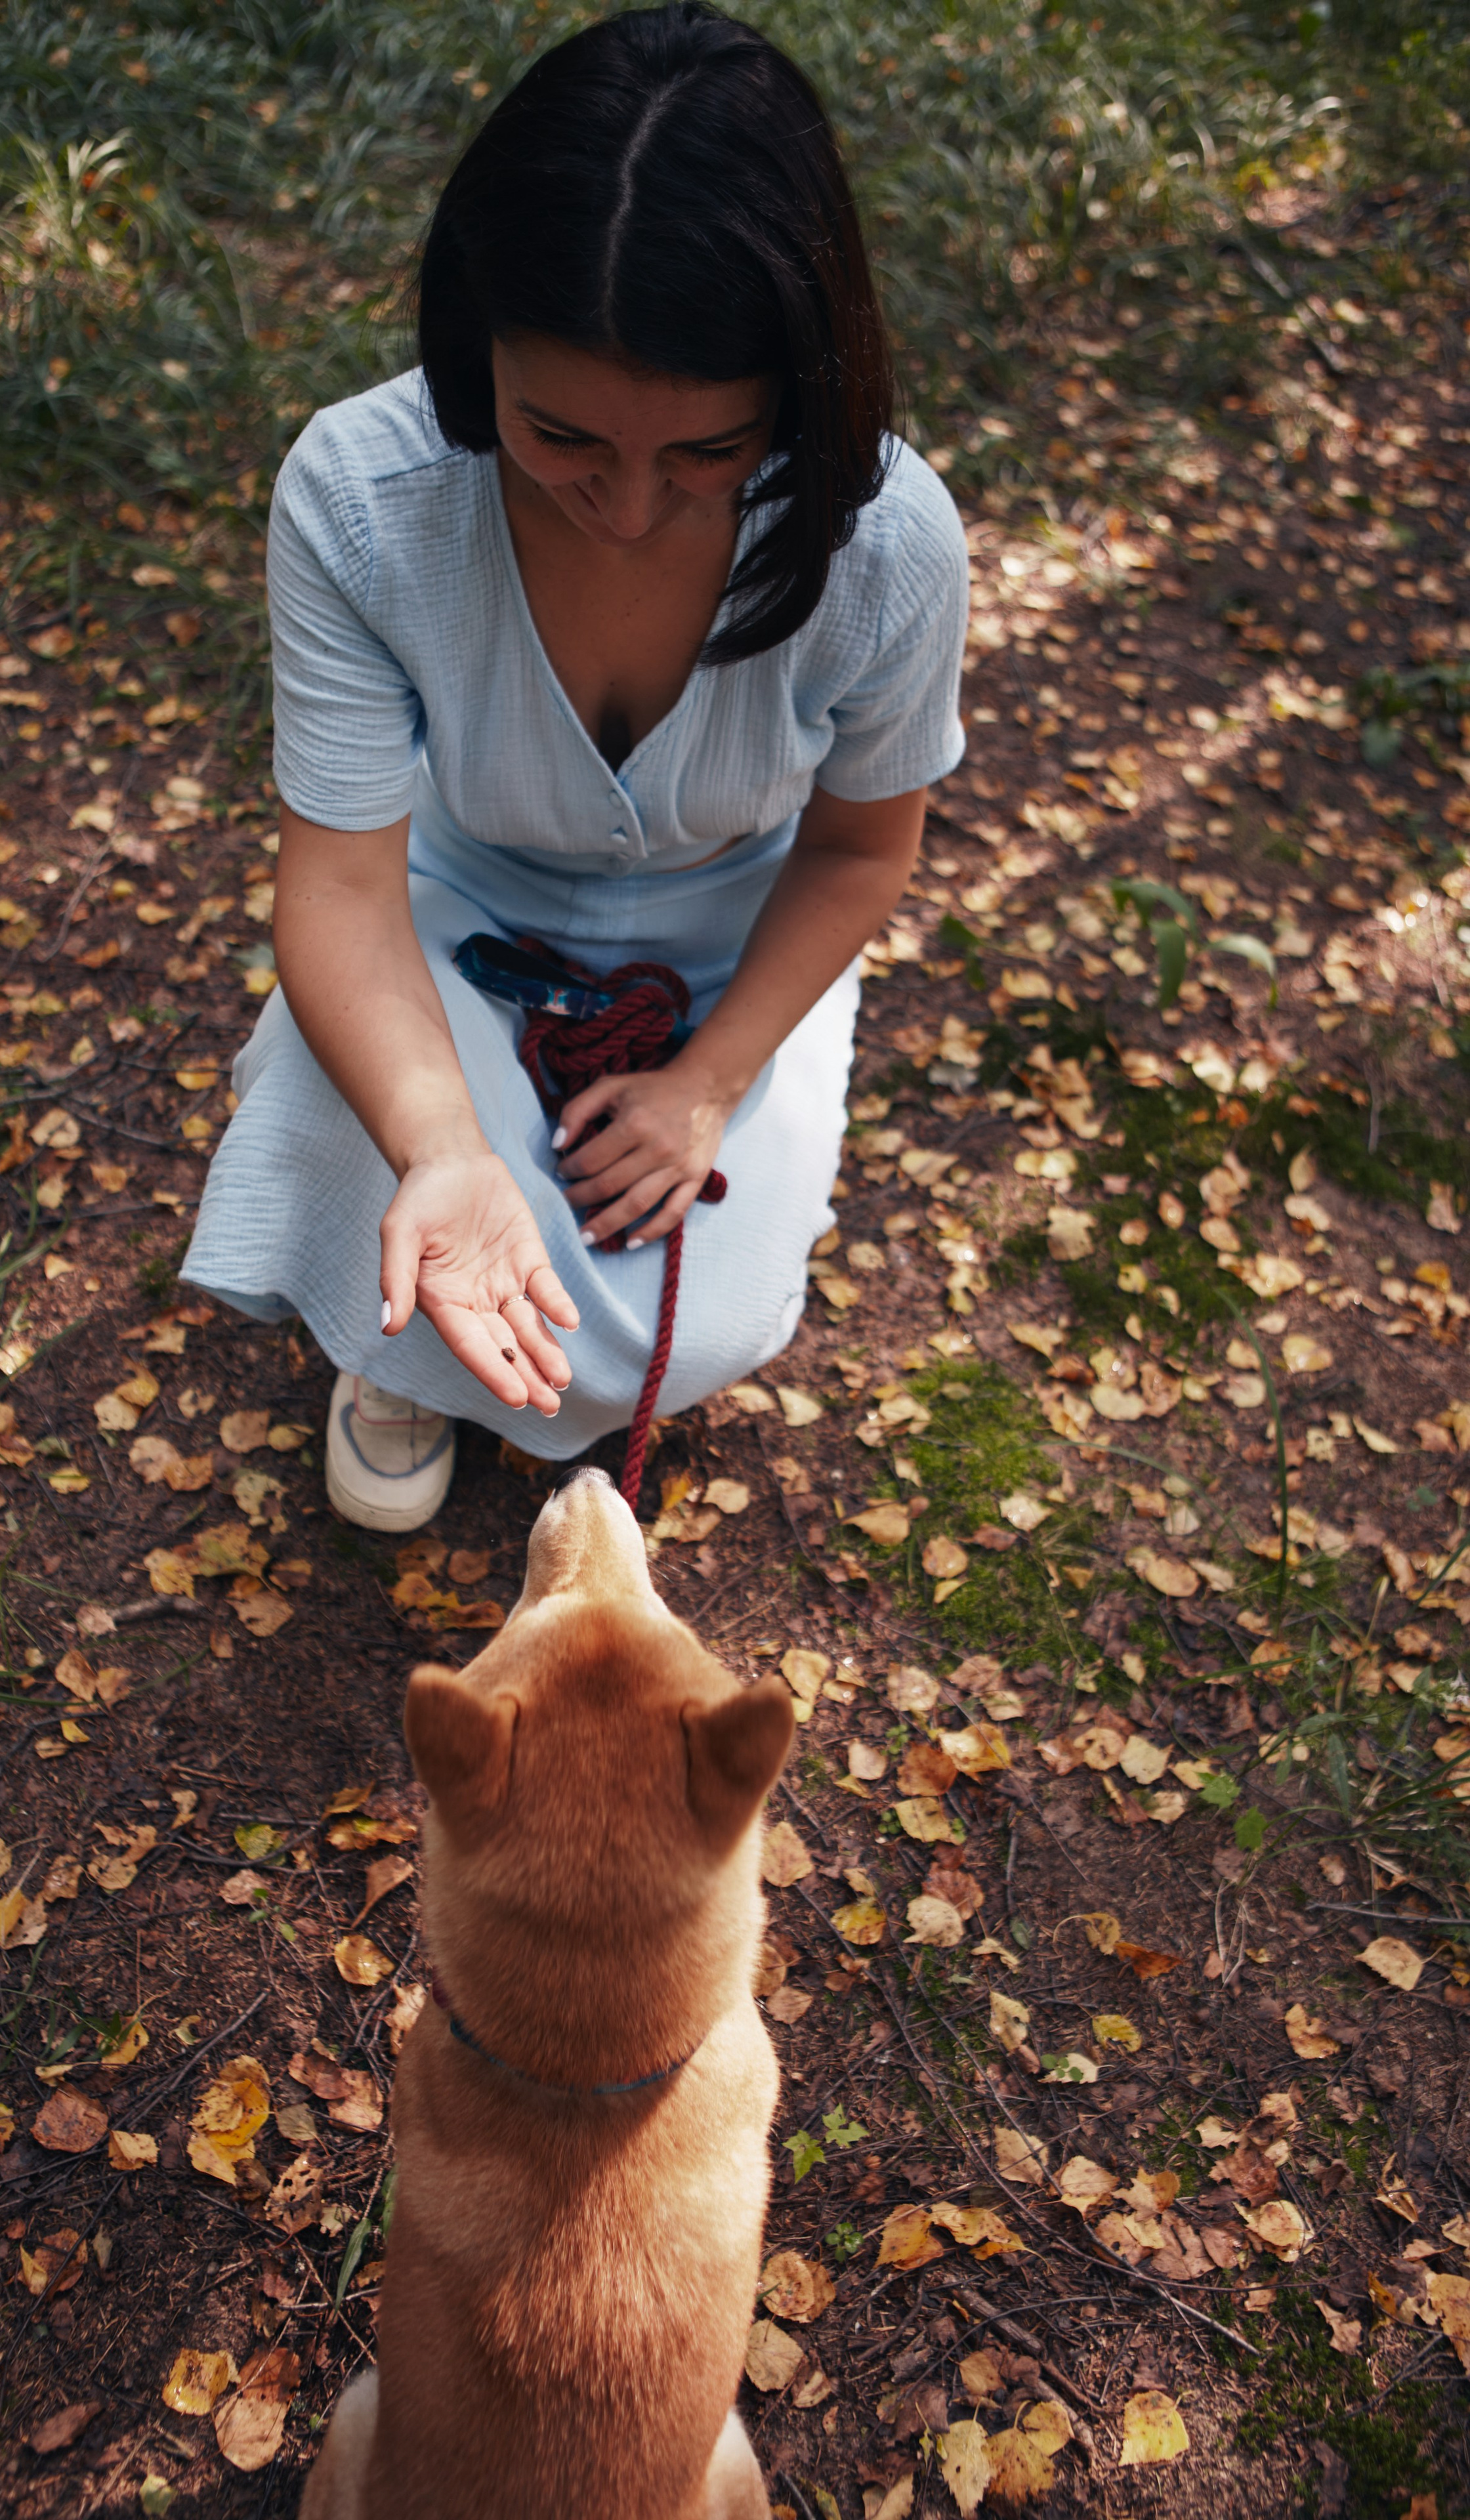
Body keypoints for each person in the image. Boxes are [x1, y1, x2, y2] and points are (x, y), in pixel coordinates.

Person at [182, 0, 968, 1533]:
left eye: (704, 453)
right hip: (450, 916)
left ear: (803, 383)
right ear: (473, 338)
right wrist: (445, 1145)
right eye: (560, 437)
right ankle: (395, 1348)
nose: (623, 509)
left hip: (734, 936)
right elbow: (341, 889)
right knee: (359, 1139)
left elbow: (860, 854)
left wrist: (707, 1084)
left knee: (711, 1324)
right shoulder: (360, 496)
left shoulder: (886, 543)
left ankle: (441, 1311)